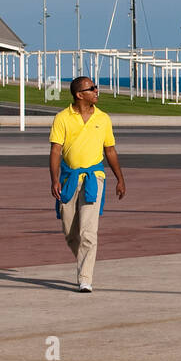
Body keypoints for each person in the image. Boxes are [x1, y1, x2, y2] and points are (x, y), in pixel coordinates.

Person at [49, 76, 126, 293]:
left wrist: (120, 179)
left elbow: (109, 150)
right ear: (79, 94)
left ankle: (85, 278)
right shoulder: (62, 118)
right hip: (68, 179)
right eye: (91, 88)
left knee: (88, 232)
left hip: (95, 177)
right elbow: (55, 151)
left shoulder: (103, 118)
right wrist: (54, 179)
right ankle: (85, 260)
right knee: (71, 233)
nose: (96, 91)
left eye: (95, 87)